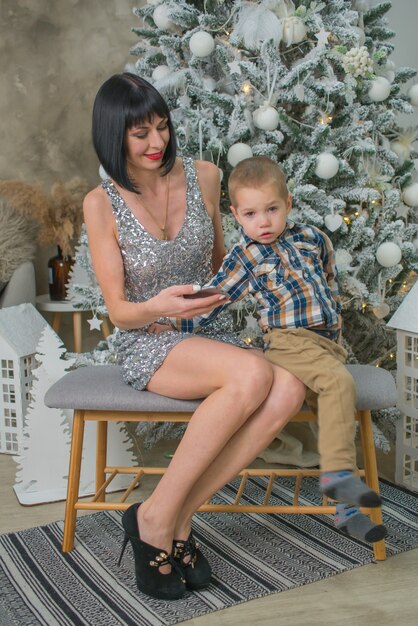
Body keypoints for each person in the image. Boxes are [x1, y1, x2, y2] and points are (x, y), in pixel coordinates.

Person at [83, 73, 306, 600]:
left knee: (289, 389)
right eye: (141, 134)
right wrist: (159, 306)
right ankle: (159, 521)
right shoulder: (101, 203)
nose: (157, 143)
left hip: (214, 331)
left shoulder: (205, 175)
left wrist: (250, 288)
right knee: (252, 374)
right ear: (113, 136)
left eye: (162, 128)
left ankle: (171, 516)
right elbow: (118, 311)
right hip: (151, 339)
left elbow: (221, 264)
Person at [169, 156, 387, 544]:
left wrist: (334, 317)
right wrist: (169, 322)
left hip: (326, 344)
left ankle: (348, 513)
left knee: (332, 411)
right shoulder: (245, 256)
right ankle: (340, 480)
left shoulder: (313, 238)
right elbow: (214, 297)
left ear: (288, 202)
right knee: (339, 385)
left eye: (271, 209)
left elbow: (329, 279)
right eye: (251, 214)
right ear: (236, 215)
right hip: (288, 341)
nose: (263, 222)